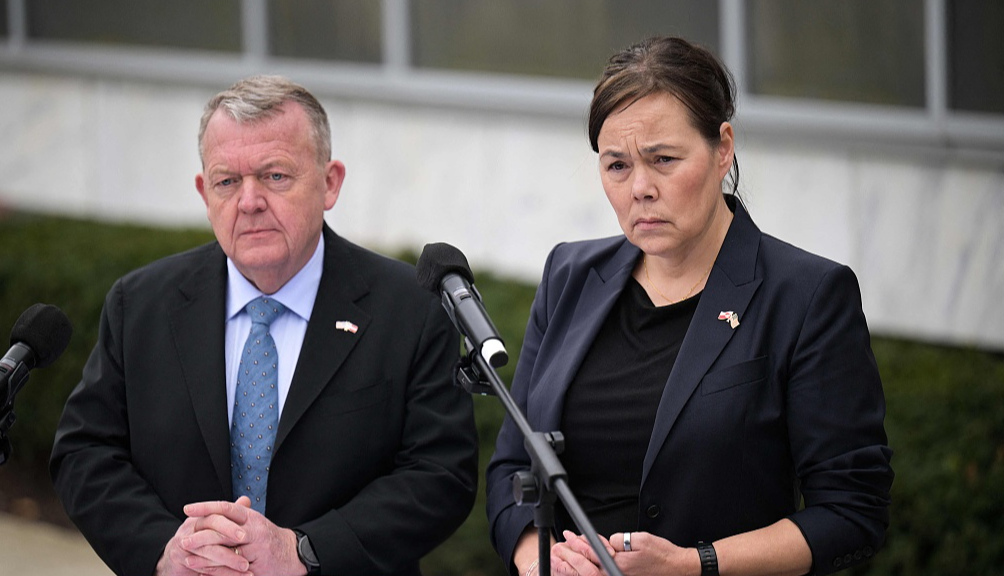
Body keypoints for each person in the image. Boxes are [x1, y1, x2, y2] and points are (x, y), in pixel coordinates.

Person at [486, 37, 893, 576]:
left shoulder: (807, 295)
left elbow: (852, 510)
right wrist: (539, 561)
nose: (641, 189)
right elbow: (513, 466)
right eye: (617, 166)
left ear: (723, 148)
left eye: (664, 160)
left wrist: (695, 564)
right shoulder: (570, 275)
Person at [50, 75, 478, 576]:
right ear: (203, 191)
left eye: (275, 176)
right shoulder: (140, 304)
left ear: (330, 182)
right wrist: (162, 551)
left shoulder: (410, 307)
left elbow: (440, 473)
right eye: (227, 181)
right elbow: (85, 450)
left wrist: (303, 550)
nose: (249, 201)